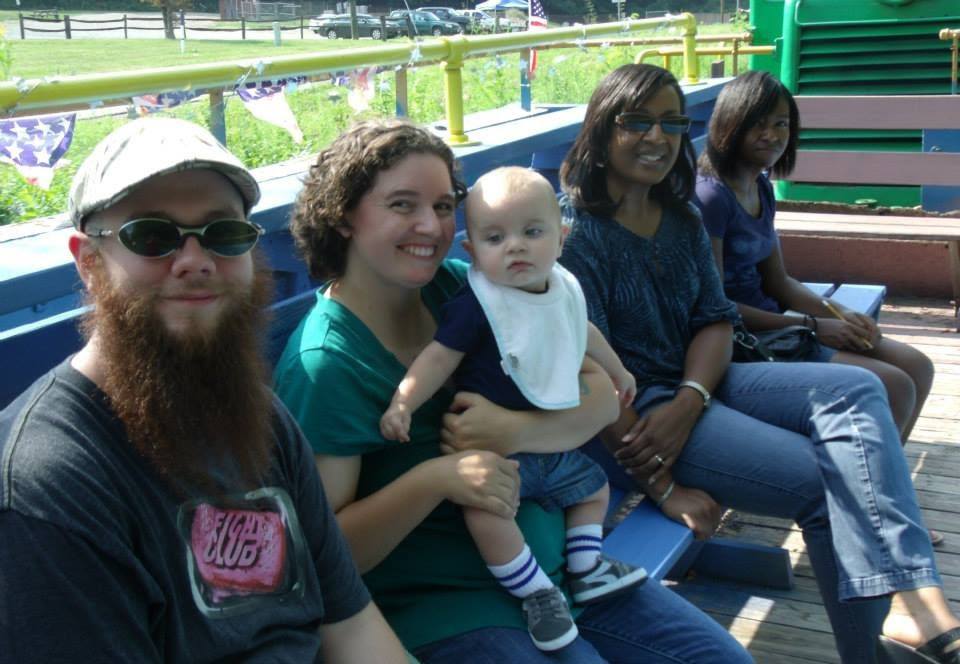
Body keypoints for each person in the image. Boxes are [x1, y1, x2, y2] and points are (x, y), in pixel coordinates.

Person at [274, 118, 754, 663]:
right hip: (454, 607)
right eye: (402, 205)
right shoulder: (328, 365)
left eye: (442, 205)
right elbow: (328, 552)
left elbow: (598, 396)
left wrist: (517, 430)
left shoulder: (466, 286)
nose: (430, 226)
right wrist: (437, 479)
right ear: (342, 216)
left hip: (567, 574)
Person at [557, 62, 960, 664]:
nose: (658, 137)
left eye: (672, 123)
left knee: (858, 390)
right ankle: (872, 652)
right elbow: (586, 374)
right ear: (601, 130)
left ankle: (910, 592)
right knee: (826, 483)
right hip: (639, 413)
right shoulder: (578, 237)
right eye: (637, 121)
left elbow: (716, 319)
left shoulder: (682, 217)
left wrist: (694, 394)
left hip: (702, 384)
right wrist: (664, 486)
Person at [0, 117, 409, 663]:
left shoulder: (258, 416)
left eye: (224, 233)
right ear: (89, 262)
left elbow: (351, 626)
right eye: (152, 236)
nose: (195, 260)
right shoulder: (47, 482)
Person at [379, 166, 646, 652]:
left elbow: (583, 332)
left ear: (561, 238)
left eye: (533, 232)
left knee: (594, 488)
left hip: (547, 445)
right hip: (496, 461)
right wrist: (403, 400)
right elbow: (438, 358)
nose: (516, 247)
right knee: (486, 516)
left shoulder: (561, 288)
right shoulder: (478, 303)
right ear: (473, 252)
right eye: (495, 237)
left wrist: (618, 371)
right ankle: (538, 595)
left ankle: (586, 570)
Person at [693, 70, 935, 449]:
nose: (771, 135)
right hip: (742, 341)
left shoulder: (758, 185)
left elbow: (779, 282)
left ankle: (880, 481)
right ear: (729, 123)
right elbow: (714, 305)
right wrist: (814, 326)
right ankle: (865, 496)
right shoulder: (710, 198)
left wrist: (838, 315)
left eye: (781, 124)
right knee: (894, 386)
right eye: (757, 124)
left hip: (782, 327)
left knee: (918, 367)